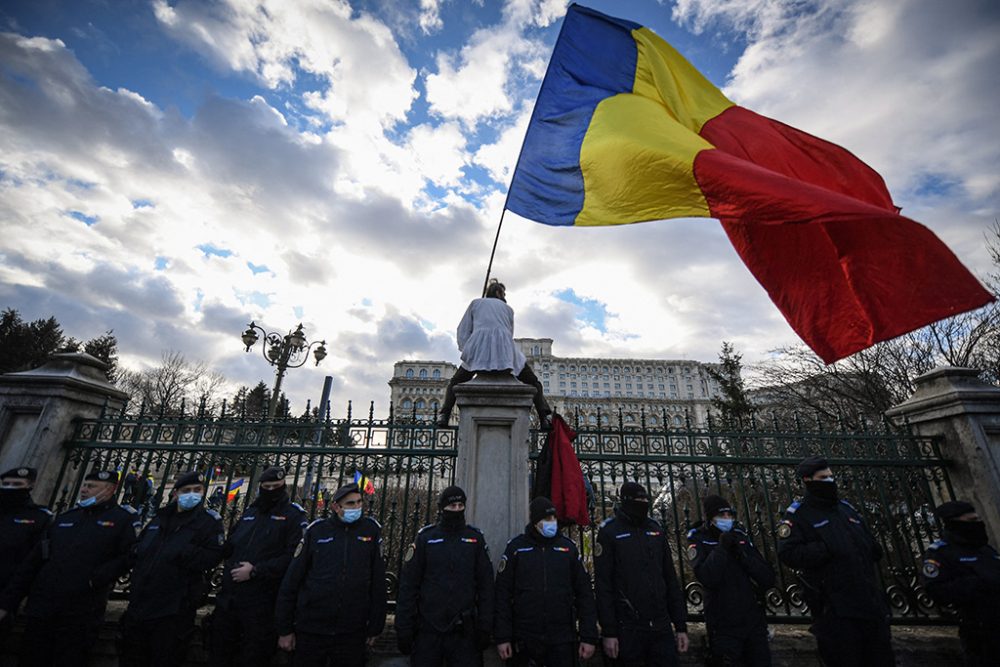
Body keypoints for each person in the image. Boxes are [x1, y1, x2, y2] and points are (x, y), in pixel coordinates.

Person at [0, 469, 138, 666]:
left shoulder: (123, 519)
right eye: (84, 485)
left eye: (91, 487)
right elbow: (34, 561)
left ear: (110, 489)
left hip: (81, 611)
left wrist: (95, 579)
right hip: (42, 607)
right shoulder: (66, 518)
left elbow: (129, 556)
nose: (84, 490)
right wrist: (8, 602)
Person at [776, 456, 893, 667]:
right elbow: (789, 553)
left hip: (869, 604)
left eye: (831, 477)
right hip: (835, 608)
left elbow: (869, 544)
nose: (830, 481)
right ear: (807, 480)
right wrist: (825, 548)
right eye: (823, 478)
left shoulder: (845, 509)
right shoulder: (799, 515)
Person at [119, 470, 225, 667]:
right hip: (140, 604)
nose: (192, 494)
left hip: (174, 608)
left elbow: (213, 556)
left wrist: (181, 552)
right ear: (175, 493)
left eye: (197, 490)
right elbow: (139, 550)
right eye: (187, 490)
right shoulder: (160, 518)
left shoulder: (208, 522)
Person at [275, 482, 387, 666]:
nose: (357, 507)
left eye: (359, 502)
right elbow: (292, 581)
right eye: (351, 504)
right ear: (336, 506)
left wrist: (375, 626)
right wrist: (285, 628)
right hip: (312, 627)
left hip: (352, 629)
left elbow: (377, 582)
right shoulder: (317, 531)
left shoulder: (370, 531)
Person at [210, 466, 307, 667]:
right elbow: (231, 545)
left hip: (262, 602)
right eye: (267, 486)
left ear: (284, 488)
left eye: (276, 487)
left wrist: (256, 570)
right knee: (220, 653)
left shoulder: (293, 516)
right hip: (230, 601)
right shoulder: (250, 513)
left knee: (253, 656)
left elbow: (293, 557)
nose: (271, 490)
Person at [396, 485, 494, 665]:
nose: (457, 509)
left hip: (464, 631)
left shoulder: (475, 539)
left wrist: (485, 625)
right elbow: (409, 586)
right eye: (452, 506)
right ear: (442, 508)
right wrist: (404, 626)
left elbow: (486, 585)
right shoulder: (426, 538)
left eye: (460, 505)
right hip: (428, 629)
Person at [494, 496, 598, 666]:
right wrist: (503, 636)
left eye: (553, 518)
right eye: (547, 519)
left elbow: (584, 594)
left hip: (562, 637)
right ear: (535, 521)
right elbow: (502, 595)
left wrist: (589, 636)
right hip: (524, 637)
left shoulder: (567, 549)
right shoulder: (516, 548)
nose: (552, 522)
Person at [595, 481, 689, 666]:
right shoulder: (610, 532)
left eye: (645, 499)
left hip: (660, 625)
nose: (643, 502)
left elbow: (670, 578)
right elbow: (603, 585)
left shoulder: (655, 529)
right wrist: (609, 631)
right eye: (638, 499)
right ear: (626, 501)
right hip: (628, 626)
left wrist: (680, 625)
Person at [437, 280, 552, 427]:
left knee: (454, 382)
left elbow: (463, 329)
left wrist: (468, 348)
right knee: (534, 382)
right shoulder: (508, 309)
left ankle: (444, 415)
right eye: (503, 293)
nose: (505, 296)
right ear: (498, 293)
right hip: (505, 354)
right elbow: (509, 333)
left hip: (479, 351)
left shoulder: (475, 303)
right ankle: (544, 417)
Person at [687, 494, 775, 666]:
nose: (727, 519)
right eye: (721, 516)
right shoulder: (698, 538)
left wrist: (743, 556)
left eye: (729, 515)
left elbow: (767, 577)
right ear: (711, 519)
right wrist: (722, 548)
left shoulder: (740, 536)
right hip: (723, 623)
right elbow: (707, 577)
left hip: (752, 620)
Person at [920, 500, 1000, 666]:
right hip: (980, 629)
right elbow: (936, 590)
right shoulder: (941, 552)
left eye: (978, 519)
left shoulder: (986, 550)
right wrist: (978, 583)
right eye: (971, 521)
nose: (978, 524)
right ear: (954, 523)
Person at [0, 466, 51, 641]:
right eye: (6, 484)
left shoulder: (39, 517)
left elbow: (31, 564)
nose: (10, 488)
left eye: (17, 484)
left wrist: (8, 603)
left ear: (30, 485)